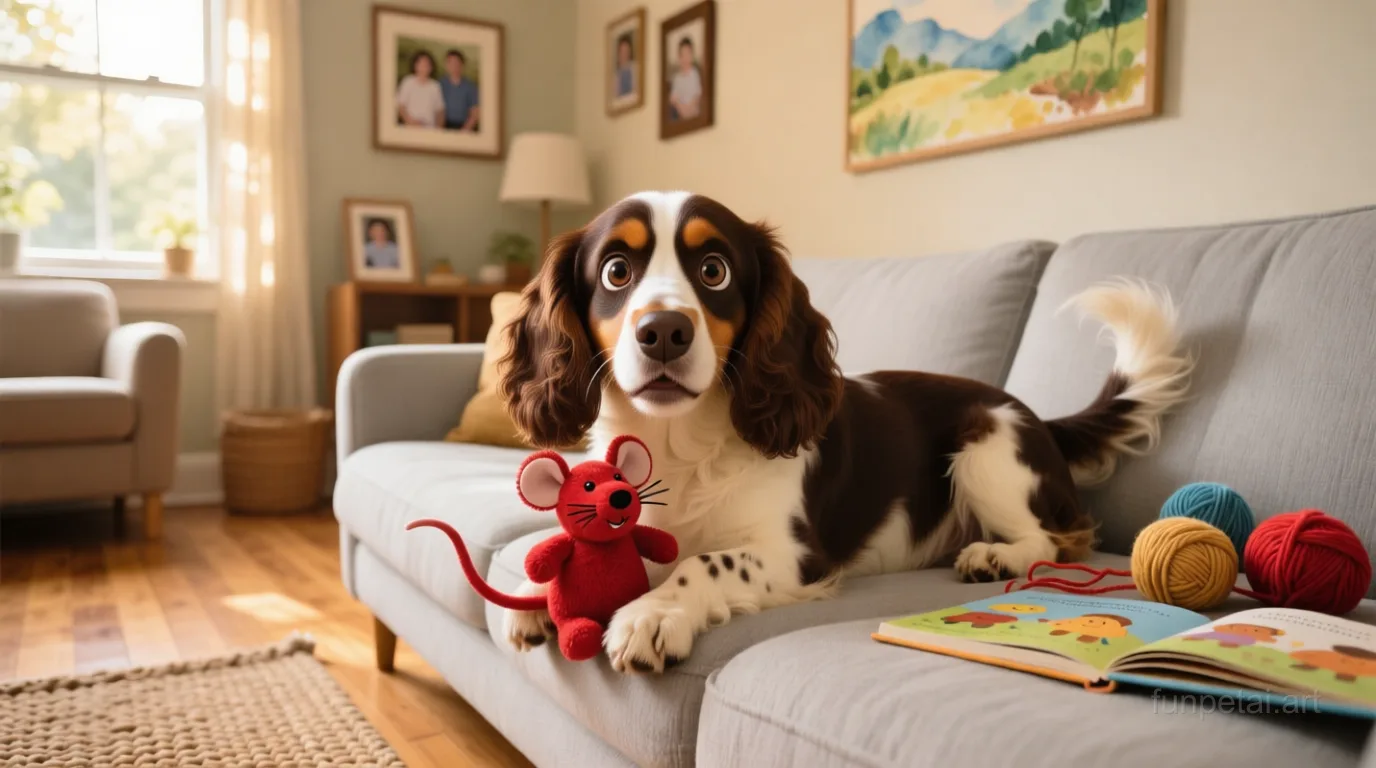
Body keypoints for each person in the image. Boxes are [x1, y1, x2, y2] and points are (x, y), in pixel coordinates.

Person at [396, 50, 444, 128]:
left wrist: (438, 129)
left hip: (430, 129)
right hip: (410, 128)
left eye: (427, 64)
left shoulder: (435, 86)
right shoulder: (407, 81)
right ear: (415, 66)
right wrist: (411, 122)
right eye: (421, 63)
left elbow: (440, 111)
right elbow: (401, 106)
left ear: (431, 67)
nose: (424, 67)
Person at [440, 49, 480, 131]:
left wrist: (464, 131)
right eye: (450, 63)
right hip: (442, 126)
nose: (454, 66)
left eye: (456, 63)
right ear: (446, 65)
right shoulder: (439, 84)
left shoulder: (470, 86)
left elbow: (475, 113)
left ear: (462, 65)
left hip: (463, 127)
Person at [668, 36, 702, 121]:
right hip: (681, 113)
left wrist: (689, 109)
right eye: (682, 55)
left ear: (692, 56)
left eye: (688, 54)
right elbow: (674, 99)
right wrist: (682, 109)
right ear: (679, 58)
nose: (685, 58)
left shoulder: (695, 74)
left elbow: (697, 97)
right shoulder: (676, 78)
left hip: (693, 112)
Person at [614, 33, 635, 99]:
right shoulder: (615, 74)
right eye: (622, 51)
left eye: (627, 51)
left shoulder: (635, 68)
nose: (624, 54)